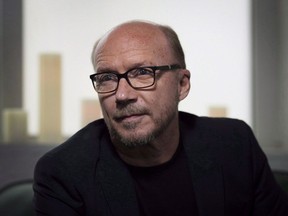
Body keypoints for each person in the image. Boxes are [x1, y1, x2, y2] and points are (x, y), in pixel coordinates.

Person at [33, 20, 288, 216]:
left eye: (143, 73)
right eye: (107, 78)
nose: (122, 95)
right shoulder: (63, 172)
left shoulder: (235, 144)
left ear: (182, 84)